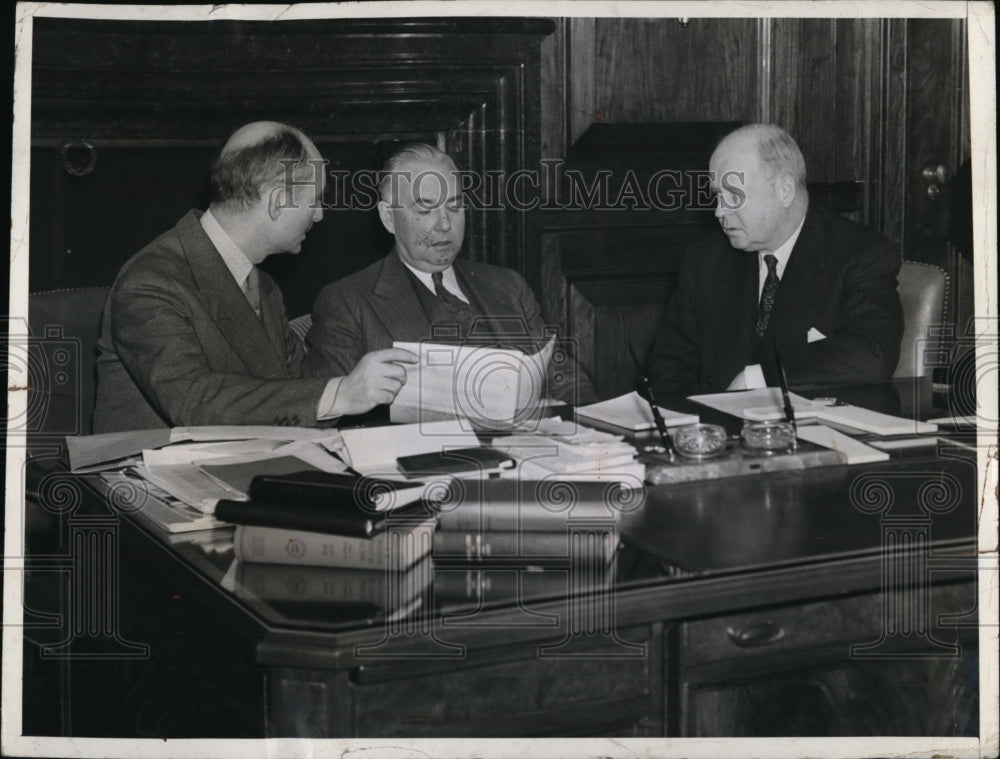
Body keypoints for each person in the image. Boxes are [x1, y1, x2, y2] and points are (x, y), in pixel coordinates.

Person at [93, 121, 416, 432]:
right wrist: (341, 393)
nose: (319, 215)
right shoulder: (150, 281)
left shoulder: (263, 287)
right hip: (139, 477)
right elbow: (193, 400)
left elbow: (291, 393)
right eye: (315, 200)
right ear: (278, 201)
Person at [304, 142, 596, 405]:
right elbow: (330, 412)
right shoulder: (346, 302)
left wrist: (588, 426)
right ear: (389, 218)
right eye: (426, 210)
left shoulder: (508, 284)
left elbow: (564, 377)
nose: (444, 224)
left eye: (455, 206)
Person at [647, 123, 903, 398]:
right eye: (718, 195)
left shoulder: (860, 254)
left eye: (734, 196)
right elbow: (669, 364)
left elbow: (871, 354)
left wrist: (760, 378)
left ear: (784, 190)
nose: (719, 211)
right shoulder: (706, 257)